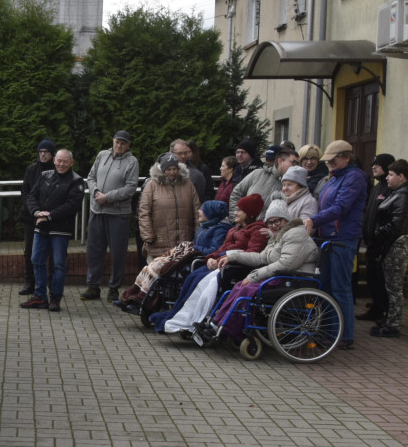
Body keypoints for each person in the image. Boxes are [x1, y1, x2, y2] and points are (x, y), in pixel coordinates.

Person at [196, 199, 320, 343]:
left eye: (277, 221)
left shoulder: (295, 234)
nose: (273, 226)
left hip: (293, 280)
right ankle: (215, 323)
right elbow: (261, 258)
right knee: (239, 286)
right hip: (280, 277)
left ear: (286, 219)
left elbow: (286, 264)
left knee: (246, 290)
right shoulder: (277, 236)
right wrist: (232, 256)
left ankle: (227, 329)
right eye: (270, 222)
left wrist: (254, 276)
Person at [148, 193, 267, 334]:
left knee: (200, 281)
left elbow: (253, 253)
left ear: (249, 213)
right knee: (192, 278)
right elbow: (221, 249)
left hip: (235, 267)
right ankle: (175, 312)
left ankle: (186, 319)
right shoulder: (234, 229)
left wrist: (230, 258)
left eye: (239, 210)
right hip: (221, 263)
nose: (235, 212)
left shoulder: (257, 231)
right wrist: (210, 258)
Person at [303, 140, 369, 350]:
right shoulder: (334, 178)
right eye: (328, 161)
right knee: (327, 287)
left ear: (346, 158)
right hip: (328, 238)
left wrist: (314, 220)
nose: (329, 163)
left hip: (342, 239)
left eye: (333, 160)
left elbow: (341, 207)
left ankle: (344, 334)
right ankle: (330, 331)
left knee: (340, 288)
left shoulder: (354, 177)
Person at [21, 149, 84, 312]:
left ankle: (55, 298)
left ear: (72, 163)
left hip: (61, 230)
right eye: (59, 161)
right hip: (41, 227)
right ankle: (40, 297)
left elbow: (72, 206)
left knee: (58, 264)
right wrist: (36, 212)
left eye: (65, 162)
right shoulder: (45, 175)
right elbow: (31, 196)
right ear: (54, 160)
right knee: (36, 260)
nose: (61, 164)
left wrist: (49, 216)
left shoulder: (76, 181)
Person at [81, 130, 139, 302]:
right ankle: (93, 286)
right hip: (97, 211)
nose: (119, 145)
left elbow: (130, 187)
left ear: (128, 145)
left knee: (118, 252)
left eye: (123, 143)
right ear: (113, 141)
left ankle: (114, 287)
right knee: (94, 250)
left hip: (118, 214)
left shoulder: (132, 162)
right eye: (117, 142)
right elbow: (90, 177)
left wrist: (108, 197)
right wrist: (96, 192)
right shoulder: (102, 155)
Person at [368, 159, 408, 338]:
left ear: (401, 176)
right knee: (390, 284)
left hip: (397, 245)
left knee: (394, 286)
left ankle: (393, 325)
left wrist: (377, 234)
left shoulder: (403, 196)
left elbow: (396, 224)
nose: (388, 178)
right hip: (393, 244)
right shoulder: (398, 193)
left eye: (391, 175)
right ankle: (390, 319)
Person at [138, 152, 200, 259]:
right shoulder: (151, 185)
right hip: (158, 242)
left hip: (184, 241)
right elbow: (144, 212)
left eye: (174, 169)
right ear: (162, 170)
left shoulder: (188, 185)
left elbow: (197, 210)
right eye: (168, 169)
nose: (172, 172)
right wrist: (148, 237)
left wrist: (198, 233)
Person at [359, 152, 396, 323]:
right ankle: (376, 307)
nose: (373, 167)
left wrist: (381, 238)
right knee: (371, 278)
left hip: (383, 244)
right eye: (373, 164)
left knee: (382, 280)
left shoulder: (391, 189)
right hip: (371, 243)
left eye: (378, 164)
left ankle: (384, 312)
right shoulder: (375, 188)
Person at [19, 138, 57, 295]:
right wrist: (33, 210)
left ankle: (51, 282)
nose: (42, 155)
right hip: (32, 217)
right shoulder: (31, 169)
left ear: (52, 154)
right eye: (40, 152)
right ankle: (30, 282)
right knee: (29, 251)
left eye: (46, 152)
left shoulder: (57, 170)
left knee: (52, 252)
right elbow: (25, 191)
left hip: (51, 217)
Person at [227, 144, 299, 223]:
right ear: (280, 161)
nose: (296, 166)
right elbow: (236, 193)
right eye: (293, 162)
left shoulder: (295, 185)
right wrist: (235, 220)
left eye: (298, 164)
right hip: (244, 229)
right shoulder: (257, 174)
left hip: (269, 231)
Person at [170, 139, 209, 204]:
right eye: (180, 153)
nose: (183, 156)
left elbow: (199, 200)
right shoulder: (161, 172)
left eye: (186, 153)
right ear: (171, 153)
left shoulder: (197, 175)